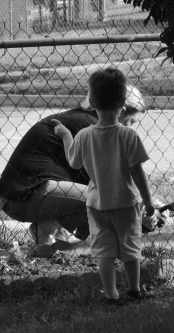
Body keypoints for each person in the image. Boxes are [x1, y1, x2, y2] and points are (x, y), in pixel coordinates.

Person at [0, 82, 162, 248]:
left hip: (22, 197)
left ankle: (47, 231)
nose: (131, 128)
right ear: (120, 111)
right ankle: (51, 231)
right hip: (22, 198)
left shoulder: (88, 122)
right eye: (130, 121)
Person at [52, 68, 155, 303]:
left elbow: (73, 161)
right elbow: (137, 172)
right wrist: (148, 201)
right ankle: (134, 290)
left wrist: (66, 135)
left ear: (92, 102)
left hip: (97, 205)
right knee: (130, 249)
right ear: (122, 103)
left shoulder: (84, 135)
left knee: (104, 252)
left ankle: (111, 294)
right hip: (126, 204)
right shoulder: (128, 136)